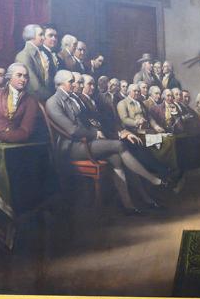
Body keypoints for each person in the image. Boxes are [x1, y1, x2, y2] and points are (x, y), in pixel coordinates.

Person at [43, 70, 166, 214]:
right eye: (71, 82)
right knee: (119, 145)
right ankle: (152, 180)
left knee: (116, 157)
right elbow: (72, 131)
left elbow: (90, 122)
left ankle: (129, 206)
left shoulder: (73, 99)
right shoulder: (53, 102)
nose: (76, 84)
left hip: (86, 142)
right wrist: (95, 134)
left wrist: (102, 132)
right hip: (71, 147)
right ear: (60, 84)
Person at [14, 24, 51, 101]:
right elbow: (34, 87)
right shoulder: (24, 55)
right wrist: (51, 97)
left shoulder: (39, 53)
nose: (44, 38)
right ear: (31, 36)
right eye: (41, 35)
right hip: (32, 100)